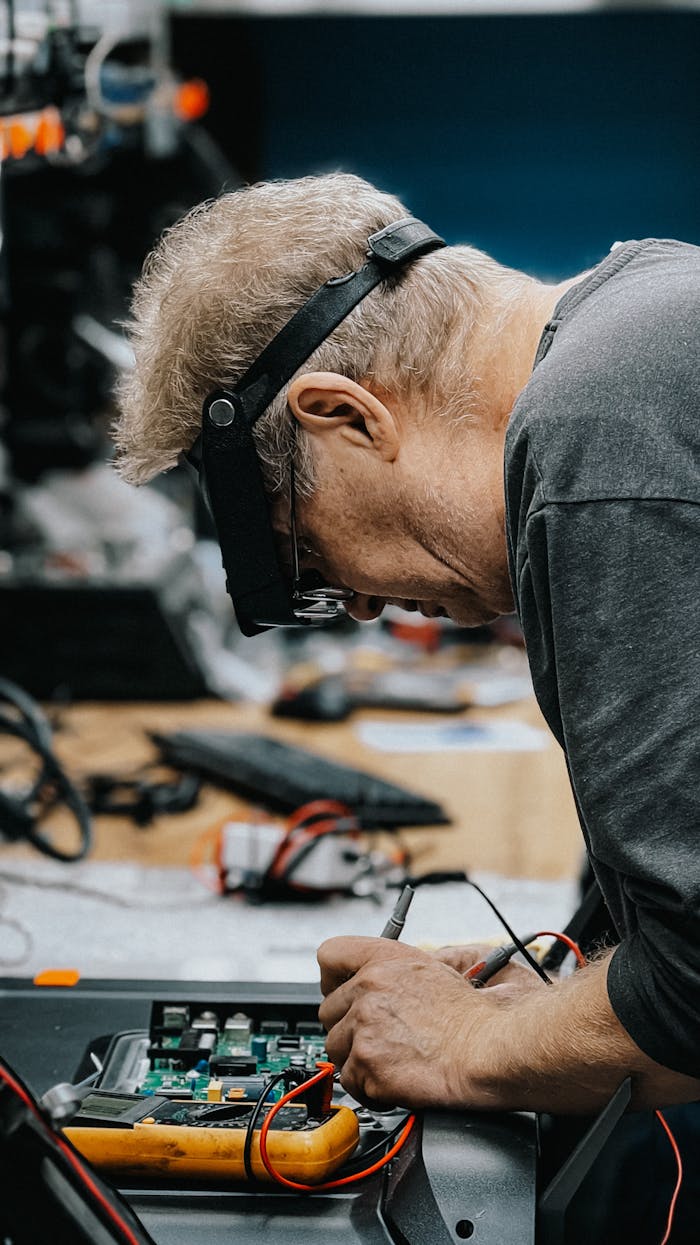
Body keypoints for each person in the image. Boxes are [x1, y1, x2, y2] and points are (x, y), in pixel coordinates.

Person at [115, 173, 699, 1233]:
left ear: (342, 415)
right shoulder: (646, 317)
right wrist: (550, 1002)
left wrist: (462, 1044)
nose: (365, 603)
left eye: (309, 554)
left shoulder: (595, 441)